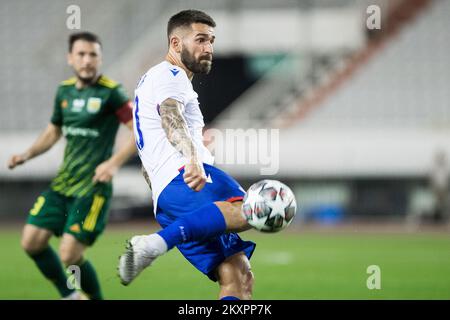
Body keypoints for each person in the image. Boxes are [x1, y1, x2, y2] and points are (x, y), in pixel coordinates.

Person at [118, 10, 256, 300]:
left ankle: (159, 240)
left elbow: (148, 151)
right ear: (176, 43)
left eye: (212, 41)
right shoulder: (170, 74)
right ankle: (153, 245)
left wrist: (163, 195)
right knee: (250, 209)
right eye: (201, 39)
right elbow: (171, 116)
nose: (208, 48)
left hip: (168, 197)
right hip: (185, 176)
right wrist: (193, 158)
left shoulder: (151, 80)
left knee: (237, 276)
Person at [8, 32, 136, 300]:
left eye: (93, 55)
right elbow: (53, 132)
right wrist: (26, 154)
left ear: (100, 59)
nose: (87, 60)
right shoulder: (64, 91)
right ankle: (71, 296)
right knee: (31, 242)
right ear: (70, 58)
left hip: (92, 189)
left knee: (70, 255)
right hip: (63, 185)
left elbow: (138, 132)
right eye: (81, 54)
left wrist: (112, 164)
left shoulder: (111, 92)